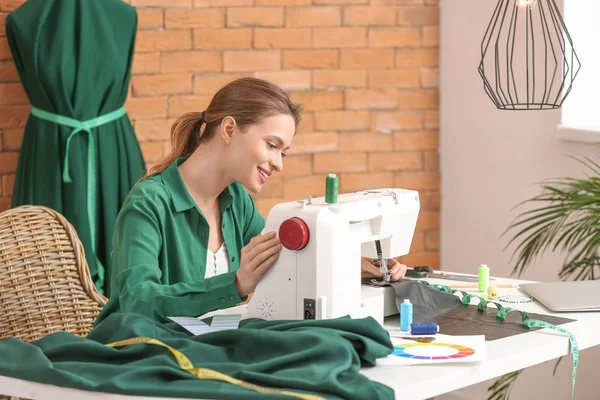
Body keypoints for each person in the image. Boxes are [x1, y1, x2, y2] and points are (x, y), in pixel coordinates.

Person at [95, 77, 407, 325]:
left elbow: (282, 259)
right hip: (142, 356)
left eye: (282, 152)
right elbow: (137, 301)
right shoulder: (149, 203)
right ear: (229, 128)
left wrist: (361, 266)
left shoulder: (236, 202)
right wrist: (235, 284)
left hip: (206, 350)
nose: (278, 163)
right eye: (272, 145)